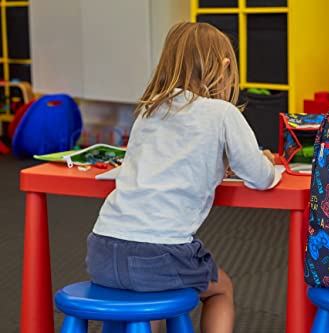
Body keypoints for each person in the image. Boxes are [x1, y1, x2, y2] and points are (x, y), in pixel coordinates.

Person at [85, 22, 279, 333]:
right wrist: (267, 162)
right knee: (221, 288)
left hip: (102, 250)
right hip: (158, 256)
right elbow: (259, 177)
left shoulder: (149, 110)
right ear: (224, 68)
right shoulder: (222, 113)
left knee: (150, 297)